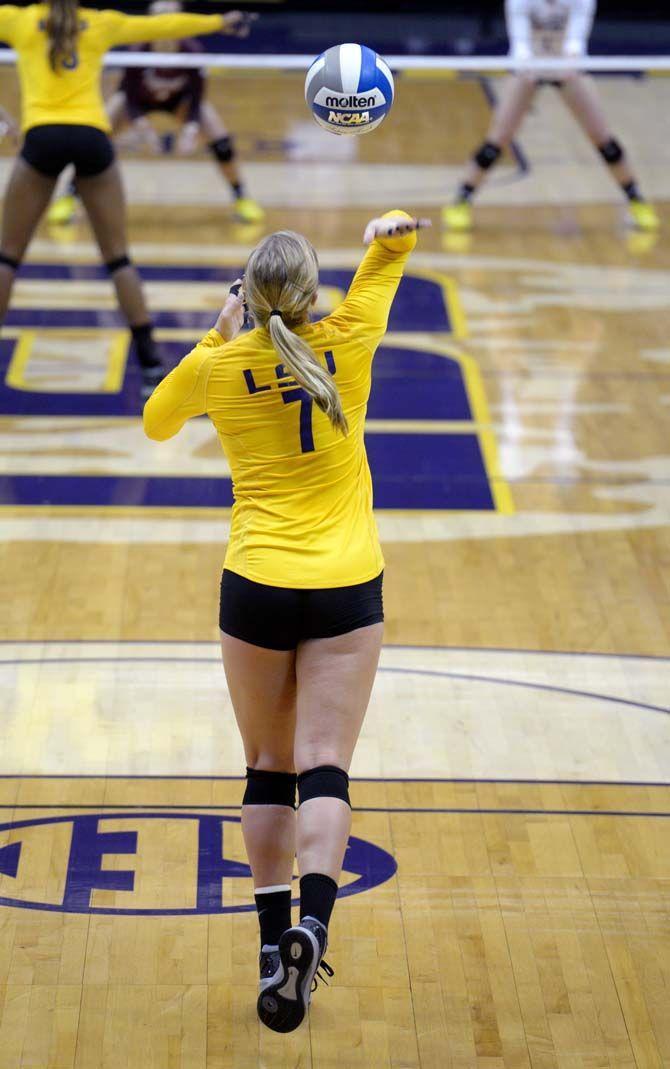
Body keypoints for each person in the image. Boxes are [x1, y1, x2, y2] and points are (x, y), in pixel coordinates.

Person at [144, 210, 429, 1032]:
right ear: (310, 296)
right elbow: (390, 257)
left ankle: (274, 950)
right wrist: (387, 233)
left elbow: (158, 420)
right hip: (346, 584)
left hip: (257, 583)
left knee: (267, 765)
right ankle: (315, 925)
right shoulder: (349, 340)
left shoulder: (222, 366)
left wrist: (219, 329)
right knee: (326, 766)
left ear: (251, 295)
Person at [0, 0, 246, 395]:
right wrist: (221, 21)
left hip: (42, 137)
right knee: (118, 259)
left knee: (7, 257)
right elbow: (166, 26)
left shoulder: (19, 21)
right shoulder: (100, 24)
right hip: (92, 138)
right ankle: (150, 365)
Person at [443, 0, 659, 232]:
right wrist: (528, 67)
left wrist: (569, 63)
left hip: (568, 70)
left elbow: (575, 43)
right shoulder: (520, 2)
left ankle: (636, 200)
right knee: (498, 139)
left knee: (603, 138)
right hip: (527, 70)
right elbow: (521, 45)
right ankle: (461, 201)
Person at [49, 0, 264, 227]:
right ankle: (68, 196)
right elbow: (129, 96)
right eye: (159, 19)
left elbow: (197, 97)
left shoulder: (192, 51)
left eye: (171, 19)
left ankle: (241, 197)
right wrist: (142, 127)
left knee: (221, 142)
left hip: (180, 102)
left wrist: (190, 129)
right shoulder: (138, 52)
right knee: (95, 135)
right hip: (138, 103)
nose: (165, 25)